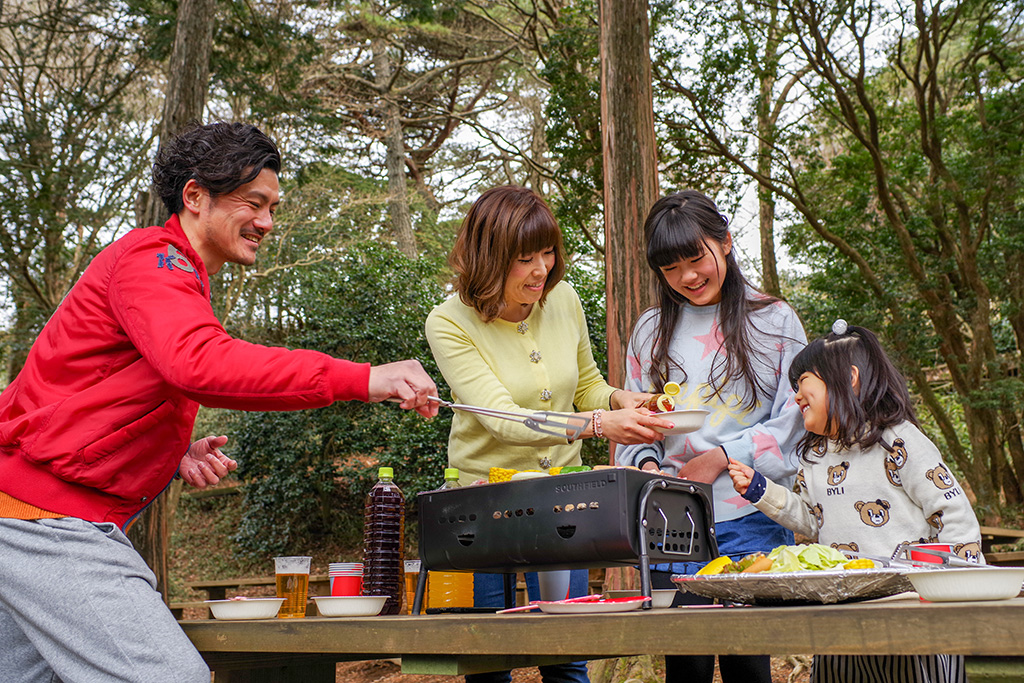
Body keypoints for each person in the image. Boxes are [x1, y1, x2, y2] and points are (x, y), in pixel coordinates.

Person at [0, 121, 438, 683]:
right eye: (254, 203)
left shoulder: (174, 278)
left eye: (273, 207)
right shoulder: (154, 261)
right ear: (194, 197)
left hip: (29, 515)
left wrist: (168, 450)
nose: (267, 222)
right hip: (49, 522)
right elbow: (200, 363)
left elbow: (94, 390)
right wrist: (366, 376)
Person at [425, 185, 672, 683]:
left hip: (564, 502)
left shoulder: (563, 299)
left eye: (548, 252)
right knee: (488, 660)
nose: (542, 269)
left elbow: (585, 385)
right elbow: (500, 417)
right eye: (524, 258)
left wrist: (619, 399)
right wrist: (601, 425)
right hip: (483, 508)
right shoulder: (449, 322)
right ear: (488, 258)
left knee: (566, 654)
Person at [615, 190, 807, 683]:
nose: (687, 277)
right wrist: (650, 470)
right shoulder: (649, 331)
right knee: (686, 664)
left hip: (752, 514)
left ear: (724, 242)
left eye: (696, 257)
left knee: (749, 662)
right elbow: (635, 423)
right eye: (670, 268)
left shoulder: (775, 319)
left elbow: (797, 422)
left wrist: (722, 457)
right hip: (669, 519)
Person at [728, 321, 982, 683]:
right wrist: (761, 491)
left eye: (802, 383)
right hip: (840, 617)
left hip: (909, 613)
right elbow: (811, 521)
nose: (795, 396)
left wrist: (960, 589)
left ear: (849, 378)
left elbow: (950, 510)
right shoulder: (814, 457)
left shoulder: (898, 441)